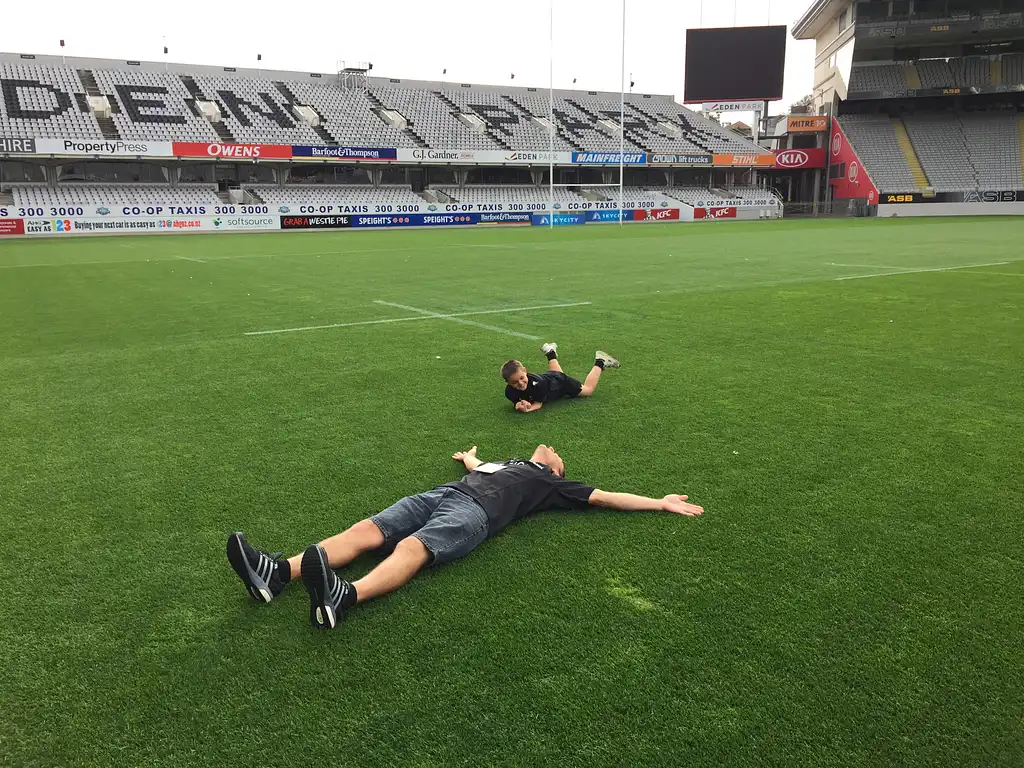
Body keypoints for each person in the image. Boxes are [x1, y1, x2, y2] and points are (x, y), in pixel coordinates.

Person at [227, 444, 703, 630]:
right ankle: (275, 573)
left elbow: (604, 496)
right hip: (446, 492)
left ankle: (345, 596)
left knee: (413, 547)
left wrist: (659, 501)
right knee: (367, 530)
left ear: (556, 469)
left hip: (474, 514)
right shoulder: (510, 463)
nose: (551, 447)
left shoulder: (551, 482)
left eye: (555, 453)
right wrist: (470, 459)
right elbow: (481, 469)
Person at [503, 343, 620, 413]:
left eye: (522, 378)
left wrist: (527, 409)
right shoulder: (509, 392)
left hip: (561, 384)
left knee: (588, 390)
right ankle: (550, 352)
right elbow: (517, 401)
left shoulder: (538, 385)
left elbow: (538, 404)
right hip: (552, 378)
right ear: (507, 383)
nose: (520, 383)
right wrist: (518, 405)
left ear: (525, 370)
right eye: (514, 382)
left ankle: (600, 361)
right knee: (556, 373)